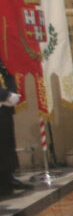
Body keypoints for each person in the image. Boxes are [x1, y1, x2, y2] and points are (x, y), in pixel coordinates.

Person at [0, 57, 28, 198]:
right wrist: (5, 95)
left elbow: (8, 73)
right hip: (3, 100)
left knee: (7, 144)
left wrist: (12, 93)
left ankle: (7, 178)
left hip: (4, 109)